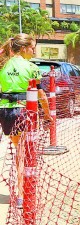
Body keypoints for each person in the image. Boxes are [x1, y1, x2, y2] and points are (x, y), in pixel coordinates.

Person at [0, 33, 51, 207]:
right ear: (23, 49)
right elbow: (41, 94)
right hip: (24, 112)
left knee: (19, 152)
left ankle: (23, 190)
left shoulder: (3, 65)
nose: (33, 51)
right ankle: (23, 194)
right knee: (26, 153)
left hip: (6, 112)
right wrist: (48, 114)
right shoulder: (31, 67)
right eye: (32, 48)